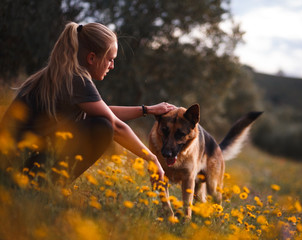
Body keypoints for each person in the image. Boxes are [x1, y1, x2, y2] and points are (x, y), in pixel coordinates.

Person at [0, 22, 175, 184]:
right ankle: (44, 188)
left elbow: (104, 111)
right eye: (110, 59)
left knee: (102, 120)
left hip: (12, 163)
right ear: (91, 58)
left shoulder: (61, 73)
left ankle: (39, 186)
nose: (112, 66)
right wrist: (152, 158)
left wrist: (147, 110)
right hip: (14, 171)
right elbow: (115, 126)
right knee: (103, 127)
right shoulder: (77, 80)